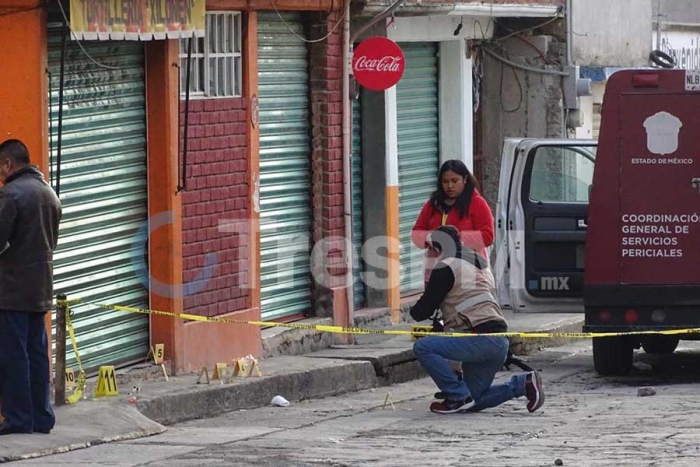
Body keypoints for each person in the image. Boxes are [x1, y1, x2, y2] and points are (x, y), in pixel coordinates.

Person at [410, 225, 544, 414]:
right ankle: (524, 384)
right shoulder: (479, 263)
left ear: (437, 248)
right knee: (476, 399)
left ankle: (457, 395)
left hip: (477, 337)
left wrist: (412, 310)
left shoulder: (446, 266)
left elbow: (422, 310)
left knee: (423, 347)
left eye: (430, 251)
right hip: (498, 342)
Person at [0, 139, 62, 435]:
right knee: (37, 354)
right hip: (40, 287)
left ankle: (19, 419)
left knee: (13, 355)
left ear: (8, 164)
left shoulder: (11, 195)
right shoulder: (48, 192)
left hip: (10, 290)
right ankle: (42, 417)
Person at [412, 159, 494, 285]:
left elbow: (488, 236)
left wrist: (456, 238)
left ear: (465, 179)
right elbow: (417, 234)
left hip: (470, 272)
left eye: (454, 181)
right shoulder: (433, 204)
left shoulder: (477, 203)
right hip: (436, 271)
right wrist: (432, 237)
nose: (449, 186)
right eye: (445, 181)